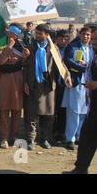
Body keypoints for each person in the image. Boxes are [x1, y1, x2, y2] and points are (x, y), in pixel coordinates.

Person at [23, 23, 71, 151]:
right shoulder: (30, 47)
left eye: (40, 33)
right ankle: (31, 139)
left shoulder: (53, 49)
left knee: (48, 114)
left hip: (48, 85)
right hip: (33, 84)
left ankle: (44, 139)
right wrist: (25, 82)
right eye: (36, 33)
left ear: (47, 35)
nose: (37, 35)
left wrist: (67, 76)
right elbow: (25, 67)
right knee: (31, 114)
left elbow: (60, 65)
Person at [65, 28, 97, 174]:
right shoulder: (93, 54)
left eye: (95, 38)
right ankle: (81, 168)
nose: (93, 41)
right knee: (87, 136)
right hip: (93, 105)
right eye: (93, 38)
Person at [0, 23, 30, 149]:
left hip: (18, 78)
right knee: (4, 108)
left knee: (16, 109)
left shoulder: (22, 45)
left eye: (15, 33)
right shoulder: (0, 43)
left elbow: (24, 64)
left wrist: (26, 57)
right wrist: (9, 46)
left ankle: (14, 136)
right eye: (11, 32)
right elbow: (1, 61)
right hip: (5, 78)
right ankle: (4, 137)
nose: (12, 35)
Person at [62, 27, 94, 151]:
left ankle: (79, 136)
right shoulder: (73, 46)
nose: (86, 36)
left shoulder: (91, 48)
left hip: (87, 84)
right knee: (73, 112)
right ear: (80, 34)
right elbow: (68, 61)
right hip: (76, 83)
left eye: (88, 35)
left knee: (83, 112)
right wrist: (84, 68)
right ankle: (69, 139)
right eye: (84, 34)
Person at [52, 29, 70, 146]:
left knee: (63, 110)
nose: (63, 41)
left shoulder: (70, 50)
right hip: (54, 84)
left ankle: (61, 132)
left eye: (65, 39)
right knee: (53, 110)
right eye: (61, 38)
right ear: (56, 39)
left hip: (65, 85)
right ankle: (52, 132)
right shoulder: (52, 50)